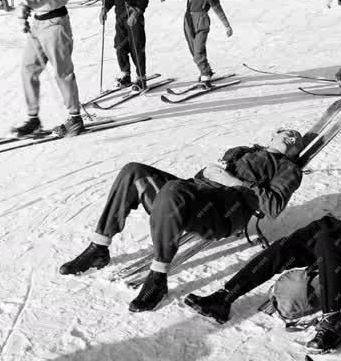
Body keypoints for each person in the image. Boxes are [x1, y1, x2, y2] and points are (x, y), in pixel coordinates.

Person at [185, 142, 341, 353]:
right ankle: (224, 298)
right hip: (333, 222)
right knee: (282, 249)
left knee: (330, 242)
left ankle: (333, 324)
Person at [59, 128, 305, 312]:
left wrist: (234, 182)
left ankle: (158, 277)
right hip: (195, 194)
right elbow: (206, 176)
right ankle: (99, 247)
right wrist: (209, 173)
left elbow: (273, 206)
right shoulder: (244, 151)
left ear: (295, 152)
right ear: (273, 136)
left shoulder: (288, 169)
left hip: (223, 213)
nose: (291, 137)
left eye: (295, 140)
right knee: (133, 170)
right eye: (286, 133)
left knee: (173, 189)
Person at [10, 0, 83, 138]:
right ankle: (33, 118)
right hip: (39, 23)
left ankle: (75, 118)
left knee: (62, 71)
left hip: (55, 22)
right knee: (28, 68)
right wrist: (27, 14)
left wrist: (27, 4)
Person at [159, 0, 233, 84]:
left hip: (202, 21)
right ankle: (206, 69)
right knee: (194, 50)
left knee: (198, 50)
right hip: (188, 21)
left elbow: (218, 10)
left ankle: (205, 73)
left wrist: (227, 25)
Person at [100, 0, 149, 88]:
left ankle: (141, 78)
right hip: (120, 19)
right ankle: (125, 75)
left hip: (134, 19)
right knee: (120, 47)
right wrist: (104, 9)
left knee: (136, 47)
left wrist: (135, 14)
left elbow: (143, 0)